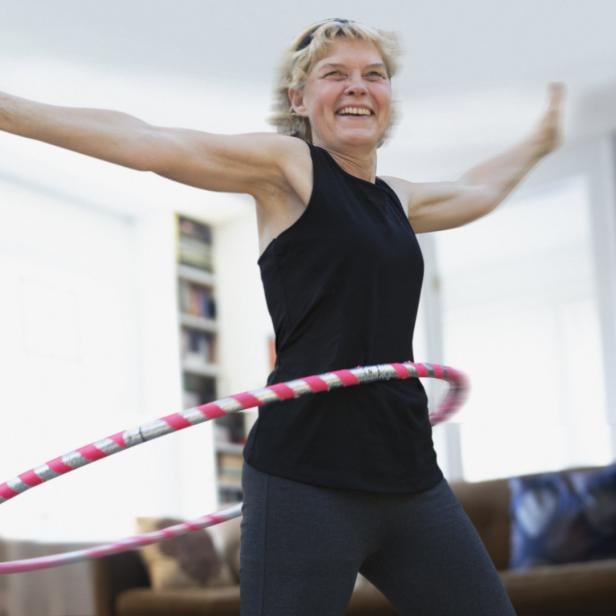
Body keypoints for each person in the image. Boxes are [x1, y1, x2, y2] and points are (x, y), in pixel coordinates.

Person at [0, 17, 564, 615]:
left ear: (388, 99)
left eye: (374, 75)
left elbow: (477, 189)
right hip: (305, 477)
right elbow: (152, 142)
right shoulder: (289, 168)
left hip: (409, 476)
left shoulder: (399, 200)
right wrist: (7, 110)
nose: (357, 86)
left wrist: (539, 140)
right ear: (299, 99)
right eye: (334, 74)